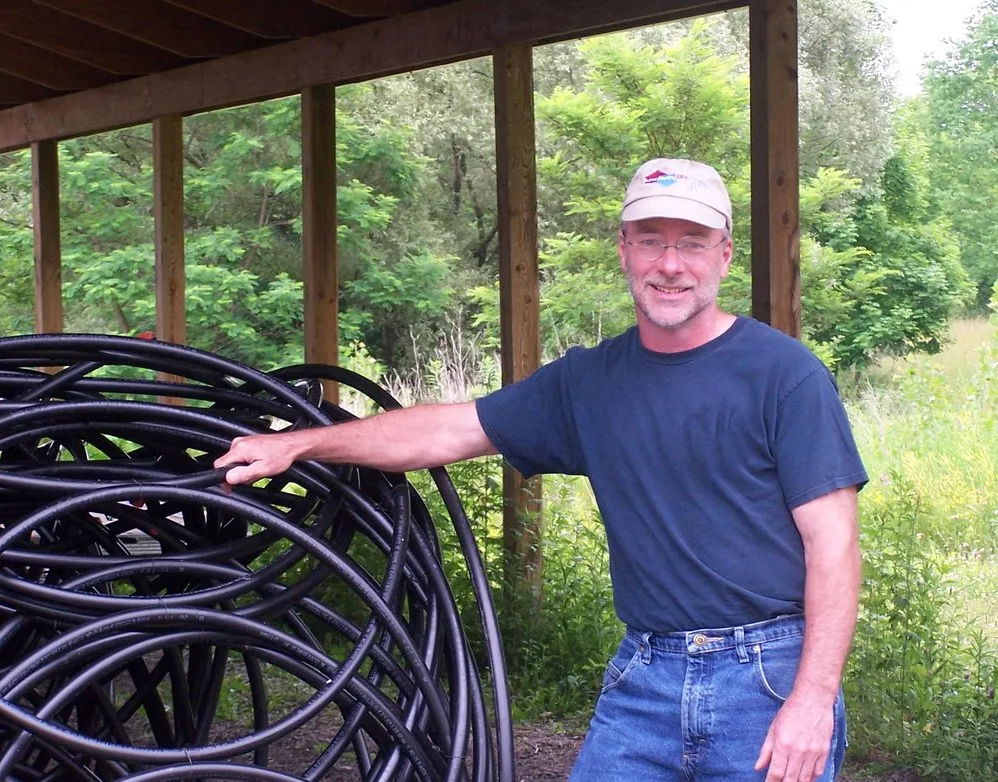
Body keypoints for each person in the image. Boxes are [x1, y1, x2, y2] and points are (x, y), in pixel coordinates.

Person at [215, 158, 867, 782]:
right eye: (650, 241)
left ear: (724, 254)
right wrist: (300, 445)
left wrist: (812, 699)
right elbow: (446, 429)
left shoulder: (784, 376)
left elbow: (833, 544)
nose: (670, 264)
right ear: (624, 250)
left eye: (692, 243)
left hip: (766, 673)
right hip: (647, 671)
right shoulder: (589, 382)